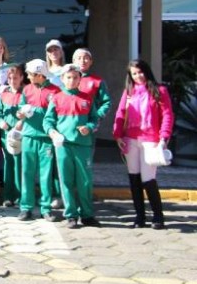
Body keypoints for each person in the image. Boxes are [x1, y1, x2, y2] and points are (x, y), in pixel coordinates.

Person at [112, 59, 174, 230]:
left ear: (146, 71)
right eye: (134, 73)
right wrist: (117, 135)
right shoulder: (129, 92)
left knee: (148, 179)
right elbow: (120, 112)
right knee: (134, 178)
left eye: (140, 72)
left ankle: (158, 216)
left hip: (150, 141)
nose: (138, 76)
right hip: (130, 140)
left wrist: (164, 138)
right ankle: (140, 216)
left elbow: (167, 115)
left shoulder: (159, 90)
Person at [43, 64, 100, 228]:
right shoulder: (56, 98)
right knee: (66, 180)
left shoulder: (87, 98)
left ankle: (87, 215)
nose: (72, 80)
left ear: (80, 79)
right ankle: (71, 215)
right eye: (68, 77)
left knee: (84, 181)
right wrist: (52, 132)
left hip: (83, 145)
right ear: (62, 79)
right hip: (63, 146)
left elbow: (94, 119)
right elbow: (48, 121)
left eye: (75, 77)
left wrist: (88, 127)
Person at [17, 59, 62, 222]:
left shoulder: (55, 91)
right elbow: (20, 110)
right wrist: (20, 114)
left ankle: (46, 208)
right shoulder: (26, 89)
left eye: (30, 74)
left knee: (46, 174)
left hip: (46, 138)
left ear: (39, 74)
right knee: (27, 173)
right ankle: (26, 208)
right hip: (28, 136)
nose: (28, 77)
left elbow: (57, 114)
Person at [0, 63, 25, 207]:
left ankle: (20, 197)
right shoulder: (4, 95)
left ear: (21, 78)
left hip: (20, 134)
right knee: (8, 163)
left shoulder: (25, 94)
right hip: (6, 134)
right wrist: (1, 122)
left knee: (19, 164)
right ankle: (7, 196)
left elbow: (29, 112)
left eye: (16, 78)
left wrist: (21, 121)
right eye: (10, 78)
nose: (13, 81)